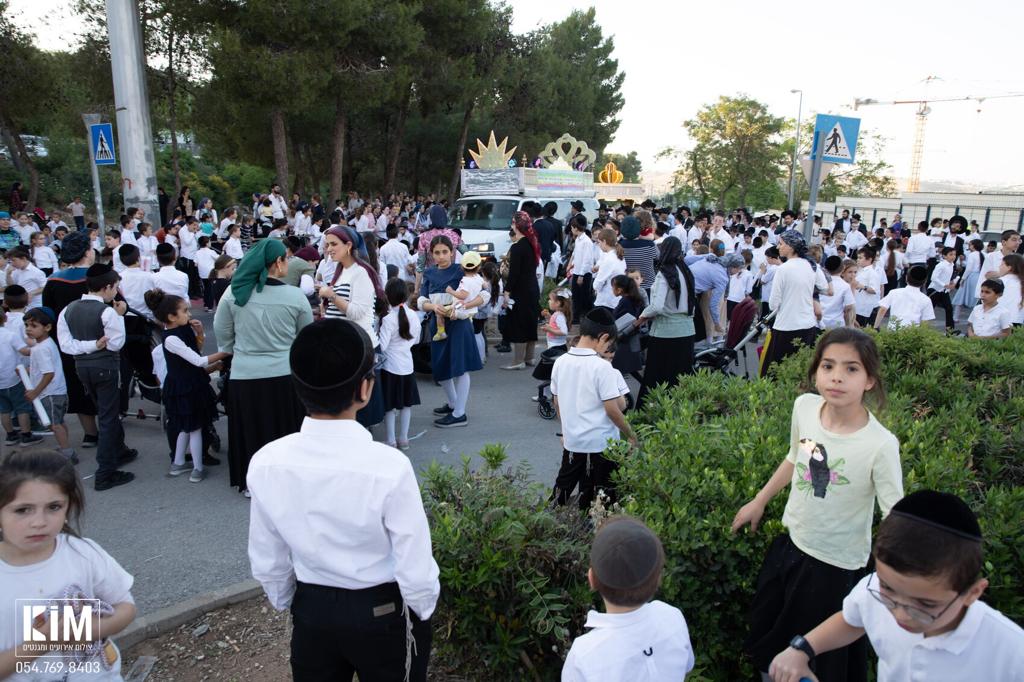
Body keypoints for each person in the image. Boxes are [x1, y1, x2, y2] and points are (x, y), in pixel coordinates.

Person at [247, 320, 438, 682]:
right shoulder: (389, 466)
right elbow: (414, 564)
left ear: (298, 386)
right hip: (381, 610)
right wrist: (423, 608)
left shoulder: (267, 461)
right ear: (365, 388)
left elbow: (268, 558)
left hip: (312, 608)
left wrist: (289, 600)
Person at [732, 328, 903, 682]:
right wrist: (759, 501)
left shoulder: (880, 445)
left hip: (836, 567)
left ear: (870, 380)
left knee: (819, 660)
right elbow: (798, 457)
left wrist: (895, 578)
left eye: (851, 369)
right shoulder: (806, 408)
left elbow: (895, 517)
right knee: (773, 642)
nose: (836, 376)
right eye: (828, 366)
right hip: (791, 546)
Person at [767, 490, 1024, 682]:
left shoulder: (1012, 653)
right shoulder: (876, 590)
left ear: (973, 592)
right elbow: (852, 619)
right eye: (887, 590)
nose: (900, 614)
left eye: (925, 604)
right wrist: (801, 650)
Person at [0, 450, 137, 679]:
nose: (39, 522)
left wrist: (91, 630)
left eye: (54, 507)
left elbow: (126, 606)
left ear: (68, 507)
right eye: (23, 510)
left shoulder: (82, 552)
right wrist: (41, 643)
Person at [214, 239, 313, 497]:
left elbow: (223, 335)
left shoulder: (234, 293)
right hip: (284, 374)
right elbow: (306, 337)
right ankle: (286, 481)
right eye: (285, 258)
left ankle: (250, 481)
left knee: (251, 428)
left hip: (245, 373)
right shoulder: (294, 295)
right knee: (285, 431)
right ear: (278, 262)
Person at [562, 516, 695, 682]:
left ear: (591, 579)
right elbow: (687, 666)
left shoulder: (583, 656)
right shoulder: (672, 617)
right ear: (658, 579)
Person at [56, 263, 138, 491]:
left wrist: (88, 346)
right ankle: (106, 471)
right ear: (108, 287)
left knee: (105, 411)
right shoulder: (107, 312)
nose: (116, 292)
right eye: (116, 287)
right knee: (109, 416)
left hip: (82, 368)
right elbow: (116, 343)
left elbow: (66, 344)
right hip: (106, 367)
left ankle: (119, 450)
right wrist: (118, 317)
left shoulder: (68, 310)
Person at [550, 308, 633, 509]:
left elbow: (557, 402)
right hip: (601, 443)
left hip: (573, 442)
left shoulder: (560, 362)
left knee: (562, 490)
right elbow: (613, 409)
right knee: (604, 494)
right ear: (603, 337)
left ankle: (549, 526)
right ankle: (596, 532)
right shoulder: (602, 367)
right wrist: (631, 434)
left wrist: (565, 431)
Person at [146, 289, 228, 483]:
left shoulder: (181, 330)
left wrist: (199, 333)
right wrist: (225, 352)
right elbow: (198, 360)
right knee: (195, 428)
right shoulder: (171, 338)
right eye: (185, 311)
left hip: (189, 384)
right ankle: (197, 468)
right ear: (171, 317)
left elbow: (194, 351)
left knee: (186, 427)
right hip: (185, 387)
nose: (189, 315)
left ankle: (178, 463)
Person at [418, 236, 488, 428]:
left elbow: (485, 293)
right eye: (437, 252)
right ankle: (453, 404)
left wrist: (465, 305)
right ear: (431, 254)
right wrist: (432, 306)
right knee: (441, 367)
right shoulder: (429, 272)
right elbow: (420, 300)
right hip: (437, 325)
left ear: (452, 252)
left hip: (459, 325)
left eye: (445, 252)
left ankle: (459, 413)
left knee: (460, 367)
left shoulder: (462, 269)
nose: (441, 256)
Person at [41, 231, 99, 449]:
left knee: (77, 386)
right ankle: (111, 433)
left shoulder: (54, 280)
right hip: (98, 342)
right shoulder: (98, 277)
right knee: (103, 388)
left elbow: (47, 313)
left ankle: (90, 434)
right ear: (87, 252)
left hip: (66, 344)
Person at [635, 237, 696, 410]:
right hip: (687, 331)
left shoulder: (664, 273)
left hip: (666, 333)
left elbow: (657, 306)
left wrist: (641, 317)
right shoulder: (685, 271)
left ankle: (649, 412)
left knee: (657, 376)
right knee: (680, 377)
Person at [760, 232, 830, 378]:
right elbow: (825, 288)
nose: (778, 247)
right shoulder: (812, 266)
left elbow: (773, 304)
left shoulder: (783, 269)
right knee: (800, 370)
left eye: (781, 243)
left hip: (785, 326)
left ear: (791, 247)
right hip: (808, 325)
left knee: (776, 372)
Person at [23, 307, 76, 463]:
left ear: (47, 327)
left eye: (33, 326)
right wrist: (27, 370)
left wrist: (35, 392)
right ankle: (65, 447)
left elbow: (48, 374)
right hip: (57, 391)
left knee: (55, 425)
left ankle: (67, 452)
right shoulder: (46, 343)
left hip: (50, 392)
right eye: (26, 325)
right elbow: (43, 367)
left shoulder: (40, 349)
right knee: (59, 422)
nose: (28, 330)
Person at [379, 278, 421, 450]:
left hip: (390, 367)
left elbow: (382, 345)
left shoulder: (388, 319)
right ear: (406, 295)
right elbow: (416, 340)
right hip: (407, 365)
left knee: (390, 407)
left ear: (388, 297)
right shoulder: (413, 315)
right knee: (406, 405)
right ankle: (403, 439)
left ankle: (390, 440)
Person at [500, 212, 542, 370]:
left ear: (517, 226)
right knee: (530, 322)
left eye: (512, 223)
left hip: (521, 290)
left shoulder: (517, 247)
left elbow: (514, 273)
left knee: (518, 324)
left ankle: (518, 361)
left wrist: (507, 291)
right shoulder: (533, 243)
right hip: (532, 288)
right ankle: (529, 357)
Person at [0, 308, 36, 448]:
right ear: (5, 318)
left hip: (0, 381)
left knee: (4, 410)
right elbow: (24, 351)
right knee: (22, 407)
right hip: (14, 377)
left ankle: (10, 435)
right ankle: (26, 435)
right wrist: (37, 348)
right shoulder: (9, 335)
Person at [874, 266, 935, 331]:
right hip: (912, 333)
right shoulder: (926, 299)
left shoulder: (894, 292)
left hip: (892, 330)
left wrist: (876, 327)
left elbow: (882, 309)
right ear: (925, 281)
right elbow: (925, 321)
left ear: (906, 278)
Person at [609, 275, 644, 384]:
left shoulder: (625, 302)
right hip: (630, 338)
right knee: (629, 368)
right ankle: (646, 388)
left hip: (624, 339)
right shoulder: (633, 299)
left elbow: (619, 319)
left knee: (617, 368)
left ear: (619, 289)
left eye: (612, 287)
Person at [568, 215, 597, 324]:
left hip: (584, 273)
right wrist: (571, 264)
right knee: (576, 296)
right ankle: (576, 317)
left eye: (572, 227)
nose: (571, 229)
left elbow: (587, 260)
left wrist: (581, 275)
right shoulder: (578, 240)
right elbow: (576, 254)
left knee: (584, 297)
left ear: (576, 227)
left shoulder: (586, 241)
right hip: (577, 271)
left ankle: (586, 316)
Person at [618, 215, 658, 292]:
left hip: (627, 286)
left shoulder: (619, 246)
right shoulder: (649, 244)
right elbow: (657, 257)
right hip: (648, 285)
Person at [818, 256, 856, 329]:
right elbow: (849, 307)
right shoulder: (845, 286)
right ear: (842, 269)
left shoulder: (819, 282)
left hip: (818, 321)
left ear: (825, 268)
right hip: (836, 323)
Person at [593, 228, 626, 310]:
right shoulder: (618, 255)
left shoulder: (609, 259)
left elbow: (598, 283)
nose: (599, 245)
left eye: (599, 242)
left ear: (604, 241)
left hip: (607, 301)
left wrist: (595, 287)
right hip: (615, 298)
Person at [997, 253, 1024, 326]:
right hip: (1018, 321)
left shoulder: (1000, 281)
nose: (999, 267)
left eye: (1002, 264)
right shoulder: (1021, 282)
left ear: (1009, 267)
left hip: (999, 322)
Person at [196, 236, 219, 313]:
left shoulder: (197, 252)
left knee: (206, 289)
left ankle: (206, 305)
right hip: (211, 273)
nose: (210, 243)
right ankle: (210, 306)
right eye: (209, 241)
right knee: (211, 289)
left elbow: (195, 264)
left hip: (202, 273)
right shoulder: (211, 252)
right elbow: (218, 258)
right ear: (206, 243)